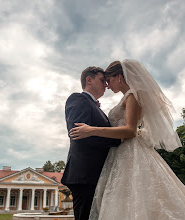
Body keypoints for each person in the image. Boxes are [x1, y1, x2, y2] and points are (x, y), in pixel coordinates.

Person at [69, 60, 185, 220]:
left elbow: (130, 130)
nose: (107, 85)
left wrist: (91, 130)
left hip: (130, 151)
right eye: (104, 81)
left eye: (108, 80)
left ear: (119, 77)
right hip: (115, 156)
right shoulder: (123, 97)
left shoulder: (132, 95)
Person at [61, 66, 121, 220]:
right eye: (102, 80)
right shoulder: (78, 99)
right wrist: (119, 139)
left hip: (97, 173)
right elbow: (78, 134)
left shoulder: (97, 107)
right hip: (85, 175)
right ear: (89, 80)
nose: (106, 85)